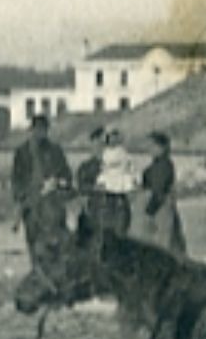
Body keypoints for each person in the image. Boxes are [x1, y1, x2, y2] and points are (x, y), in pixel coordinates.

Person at [10, 114, 72, 266]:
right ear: (31, 130)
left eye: (43, 130)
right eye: (37, 129)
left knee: (59, 231)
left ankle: (57, 266)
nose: (40, 133)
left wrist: (57, 182)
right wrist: (20, 196)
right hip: (31, 197)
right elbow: (16, 177)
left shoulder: (55, 150)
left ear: (47, 131)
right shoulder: (22, 152)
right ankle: (36, 266)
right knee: (32, 234)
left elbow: (66, 173)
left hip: (52, 196)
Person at [78, 126, 134, 235]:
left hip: (118, 210)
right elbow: (81, 187)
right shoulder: (86, 167)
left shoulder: (122, 163)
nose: (101, 148)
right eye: (98, 144)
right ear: (92, 145)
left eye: (104, 144)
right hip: (97, 210)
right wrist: (94, 187)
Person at [140, 132, 188, 257]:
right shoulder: (161, 164)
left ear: (161, 147)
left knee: (162, 246)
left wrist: (149, 213)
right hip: (163, 208)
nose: (149, 149)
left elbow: (158, 191)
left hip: (159, 209)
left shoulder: (162, 166)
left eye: (152, 146)